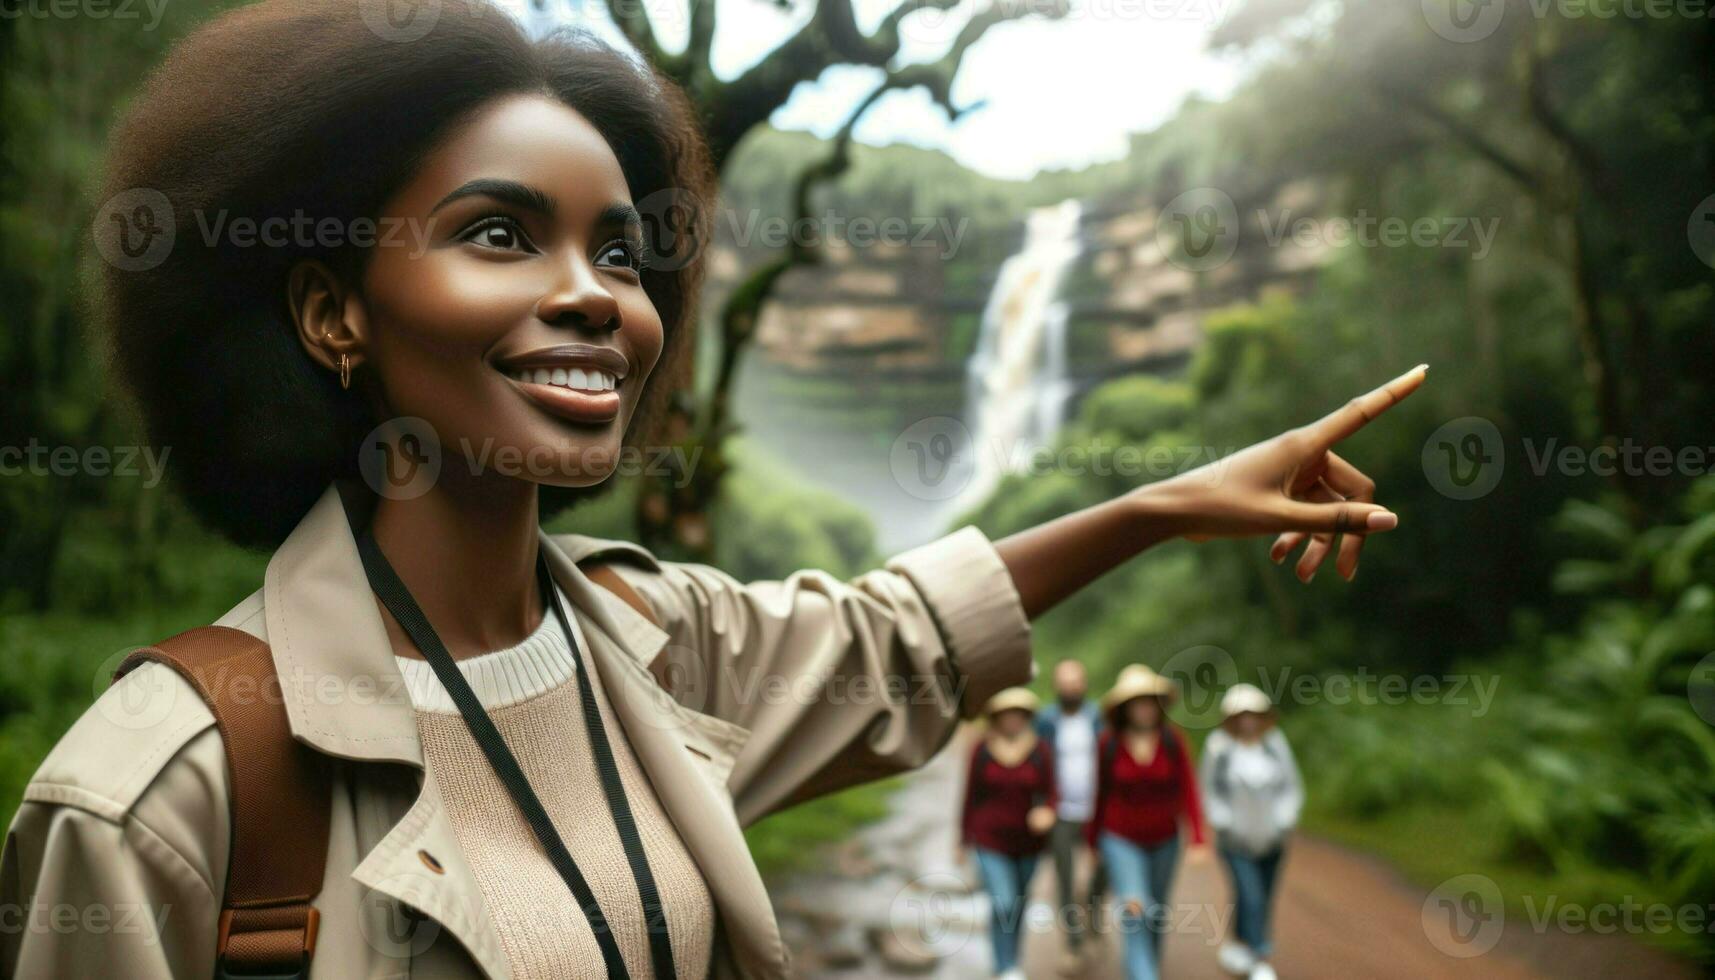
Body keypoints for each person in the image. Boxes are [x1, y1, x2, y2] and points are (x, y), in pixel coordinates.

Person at [0, 2, 1426, 971]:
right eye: (499, 234)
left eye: (619, 254)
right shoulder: (164, 790)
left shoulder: (656, 645)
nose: (593, 302)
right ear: (331, 313)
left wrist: (1166, 499)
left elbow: (897, 636)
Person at [1087, 665, 1208, 980]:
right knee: (1135, 906)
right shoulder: (1108, 743)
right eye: (1137, 702)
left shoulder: (1173, 741)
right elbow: (1098, 795)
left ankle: (1145, 967)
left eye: (1149, 701)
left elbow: (1189, 791)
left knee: (1155, 911)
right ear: (1125, 708)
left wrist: (1198, 838)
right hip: (1119, 838)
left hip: (1164, 839)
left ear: (1159, 705)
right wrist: (1092, 842)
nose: (1144, 708)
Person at [1201, 684, 1302, 980]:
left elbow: (1291, 786)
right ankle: (1260, 956)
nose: (1248, 721)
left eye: (1253, 714)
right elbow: (1209, 790)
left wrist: (1285, 819)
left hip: (1272, 839)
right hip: (1235, 841)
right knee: (1250, 893)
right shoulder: (1218, 746)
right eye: (1242, 715)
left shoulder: (1274, 743)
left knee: (1261, 896)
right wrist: (1224, 820)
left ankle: (1239, 942)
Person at [960, 688, 1058, 979]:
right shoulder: (983, 749)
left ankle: (1011, 959)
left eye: (1018, 715)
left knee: (1017, 903)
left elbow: (1053, 792)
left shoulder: (1040, 750)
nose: (1013, 721)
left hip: (1029, 842)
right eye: (1007, 715)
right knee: (1002, 901)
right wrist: (962, 838)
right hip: (990, 839)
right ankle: (1005, 966)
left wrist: (1048, 811)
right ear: (997, 718)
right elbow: (969, 796)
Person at [1035, 658, 1106, 972]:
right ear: (1056, 686)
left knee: (1105, 871)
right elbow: (1035, 764)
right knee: (1063, 878)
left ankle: (1091, 904)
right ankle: (1073, 946)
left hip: (1097, 811)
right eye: (1065, 682)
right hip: (1061, 812)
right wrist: (1040, 804)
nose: (1071, 688)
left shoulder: (1099, 718)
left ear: (1085, 684)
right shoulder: (1045, 721)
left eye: (1076, 681)